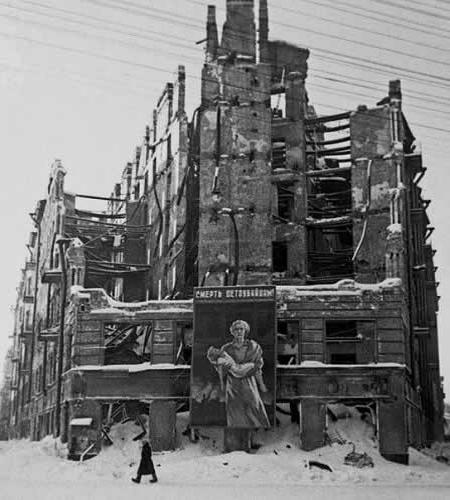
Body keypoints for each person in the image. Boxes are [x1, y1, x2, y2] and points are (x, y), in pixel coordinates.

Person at [207, 319, 270, 428]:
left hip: (249, 384)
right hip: (233, 386)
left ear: (246, 331)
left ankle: (263, 434)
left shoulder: (253, 347)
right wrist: (225, 370)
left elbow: (257, 368)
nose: (239, 331)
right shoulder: (226, 348)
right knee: (234, 413)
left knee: (255, 408)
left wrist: (261, 384)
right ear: (232, 332)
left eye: (241, 329)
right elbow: (220, 369)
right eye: (236, 329)